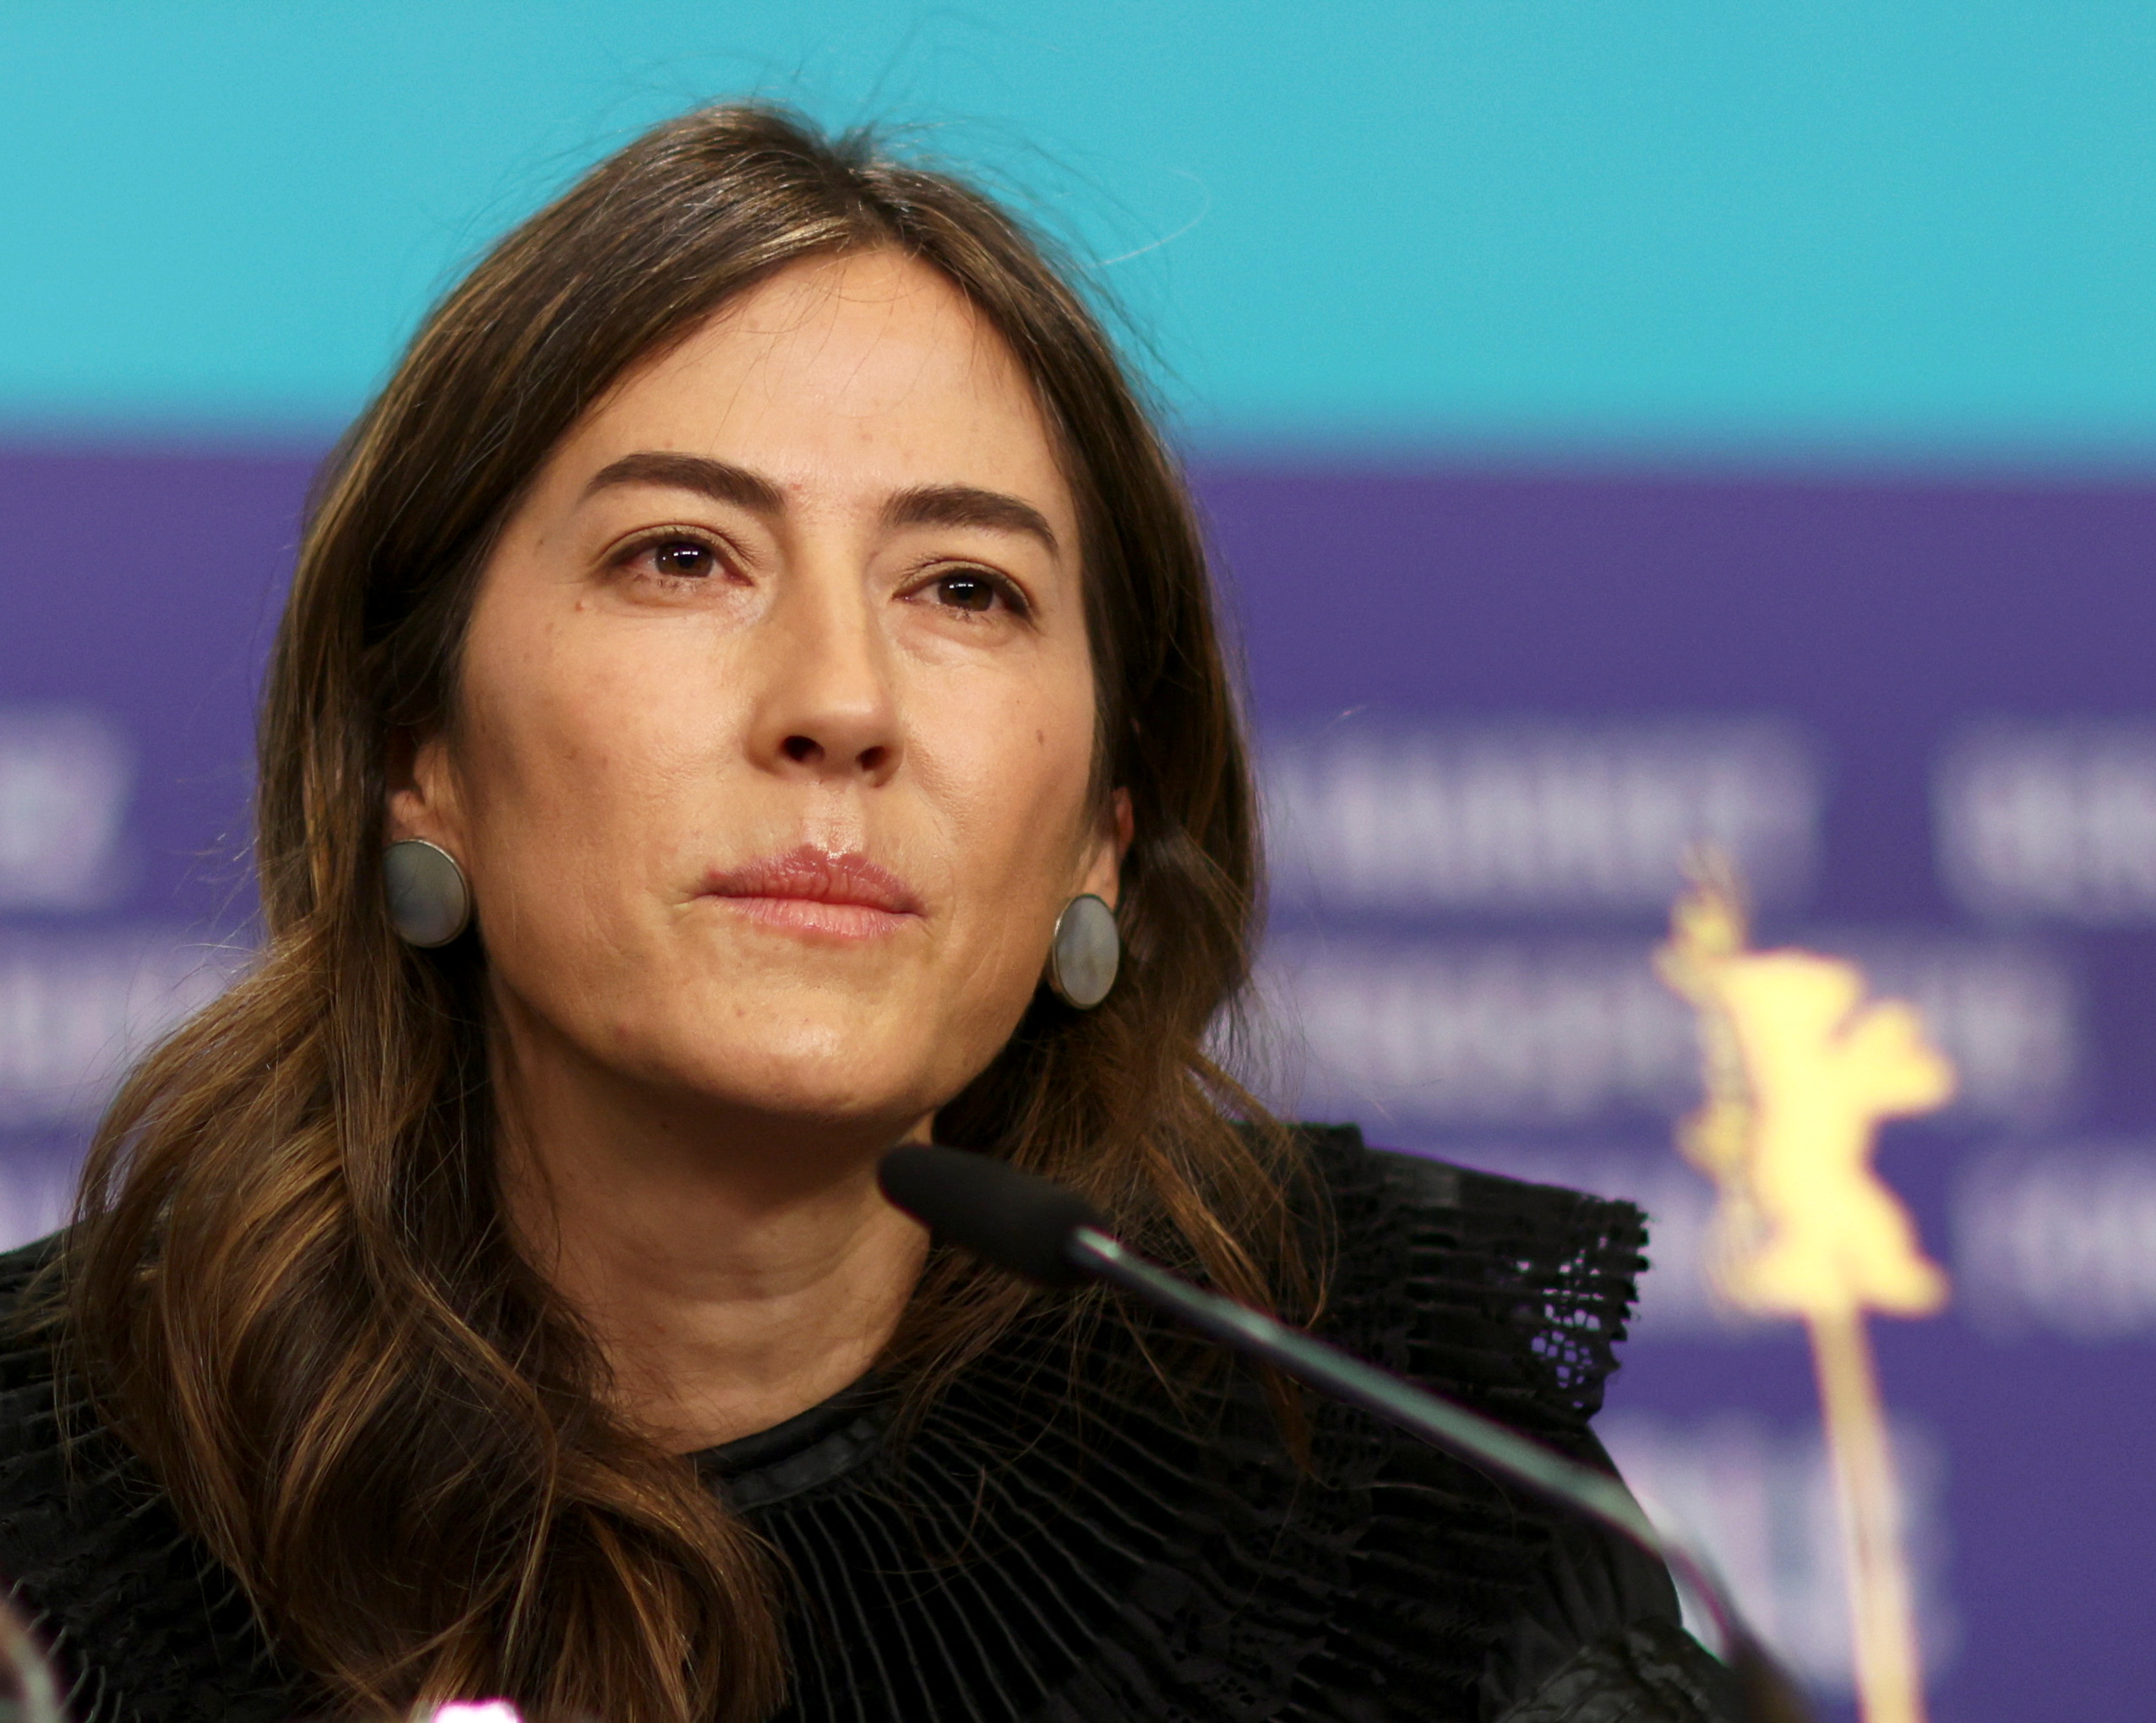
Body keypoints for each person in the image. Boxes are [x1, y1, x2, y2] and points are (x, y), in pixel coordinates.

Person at [0, 106, 1741, 1723]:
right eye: (682, 556)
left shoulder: (1376, 1449)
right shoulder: (47, 1503)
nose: (840, 700)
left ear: (1102, 836)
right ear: (415, 752)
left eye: (965, 589)